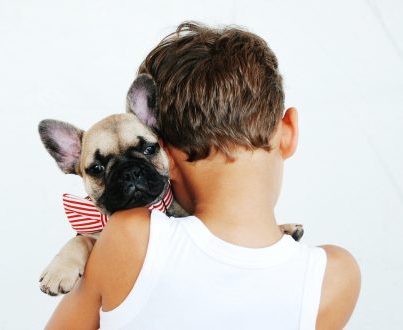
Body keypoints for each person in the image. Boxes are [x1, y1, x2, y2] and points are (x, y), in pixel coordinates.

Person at [45, 22, 361, 329]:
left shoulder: (129, 234)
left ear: (165, 150)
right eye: (100, 168)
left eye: (144, 151)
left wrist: (89, 246)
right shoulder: (335, 276)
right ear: (289, 131)